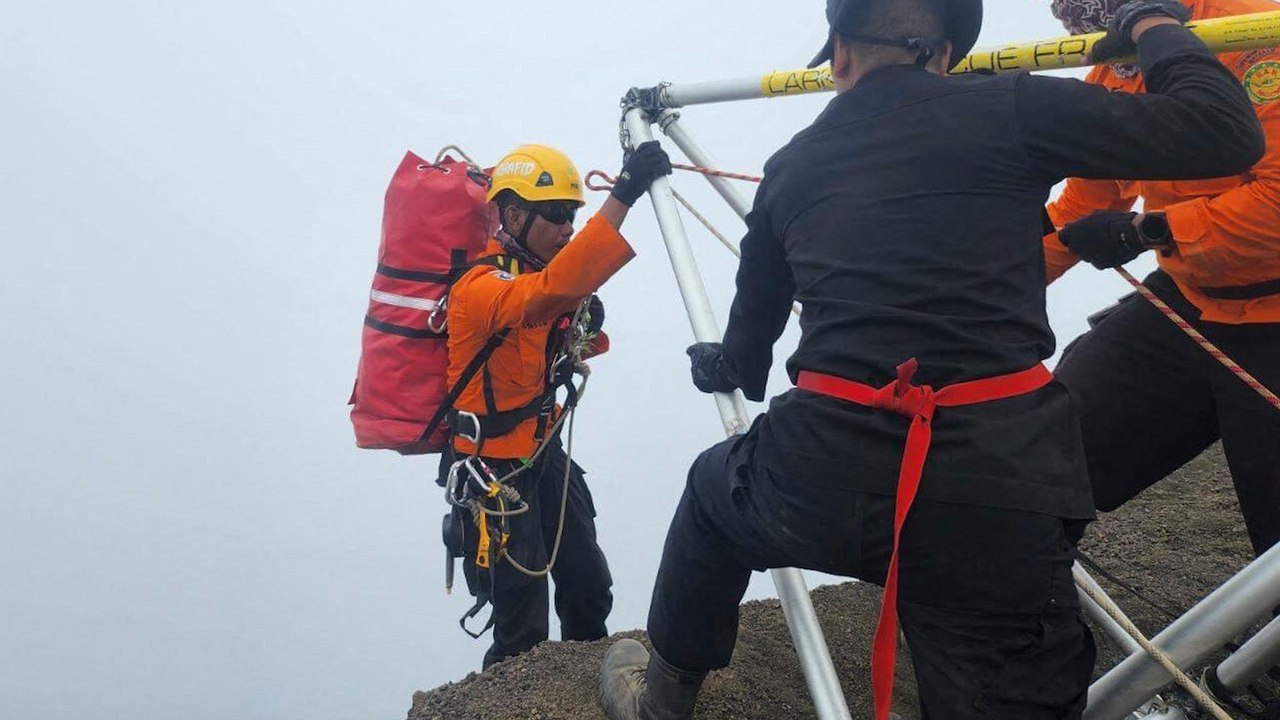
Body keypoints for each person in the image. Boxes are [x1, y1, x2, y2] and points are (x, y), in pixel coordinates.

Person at [597, 0, 1264, 717]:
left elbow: (748, 351)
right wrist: (1154, 25)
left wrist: (724, 365)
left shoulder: (791, 165)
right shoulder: (1013, 106)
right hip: (991, 492)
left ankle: (662, 697)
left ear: (839, 55)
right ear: (946, 55)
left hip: (817, 478)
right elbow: (1223, 133)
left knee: (711, 493)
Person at [1045, 0, 1280, 560]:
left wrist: (1147, 231)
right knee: (1041, 462)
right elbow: (1085, 204)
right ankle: (1024, 602)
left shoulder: (1253, 33)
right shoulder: (1117, 63)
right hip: (1189, 302)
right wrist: (973, 285)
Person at [440, 141, 671, 668]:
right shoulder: (481, 287)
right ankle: (513, 696)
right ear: (514, 216)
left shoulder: (532, 281)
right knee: (522, 623)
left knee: (588, 585)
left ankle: (588, 684)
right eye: (557, 214)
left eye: (572, 214)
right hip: (492, 472)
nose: (568, 227)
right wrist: (623, 194)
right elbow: (544, 295)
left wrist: (582, 326)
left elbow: (555, 329)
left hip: (542, 454)